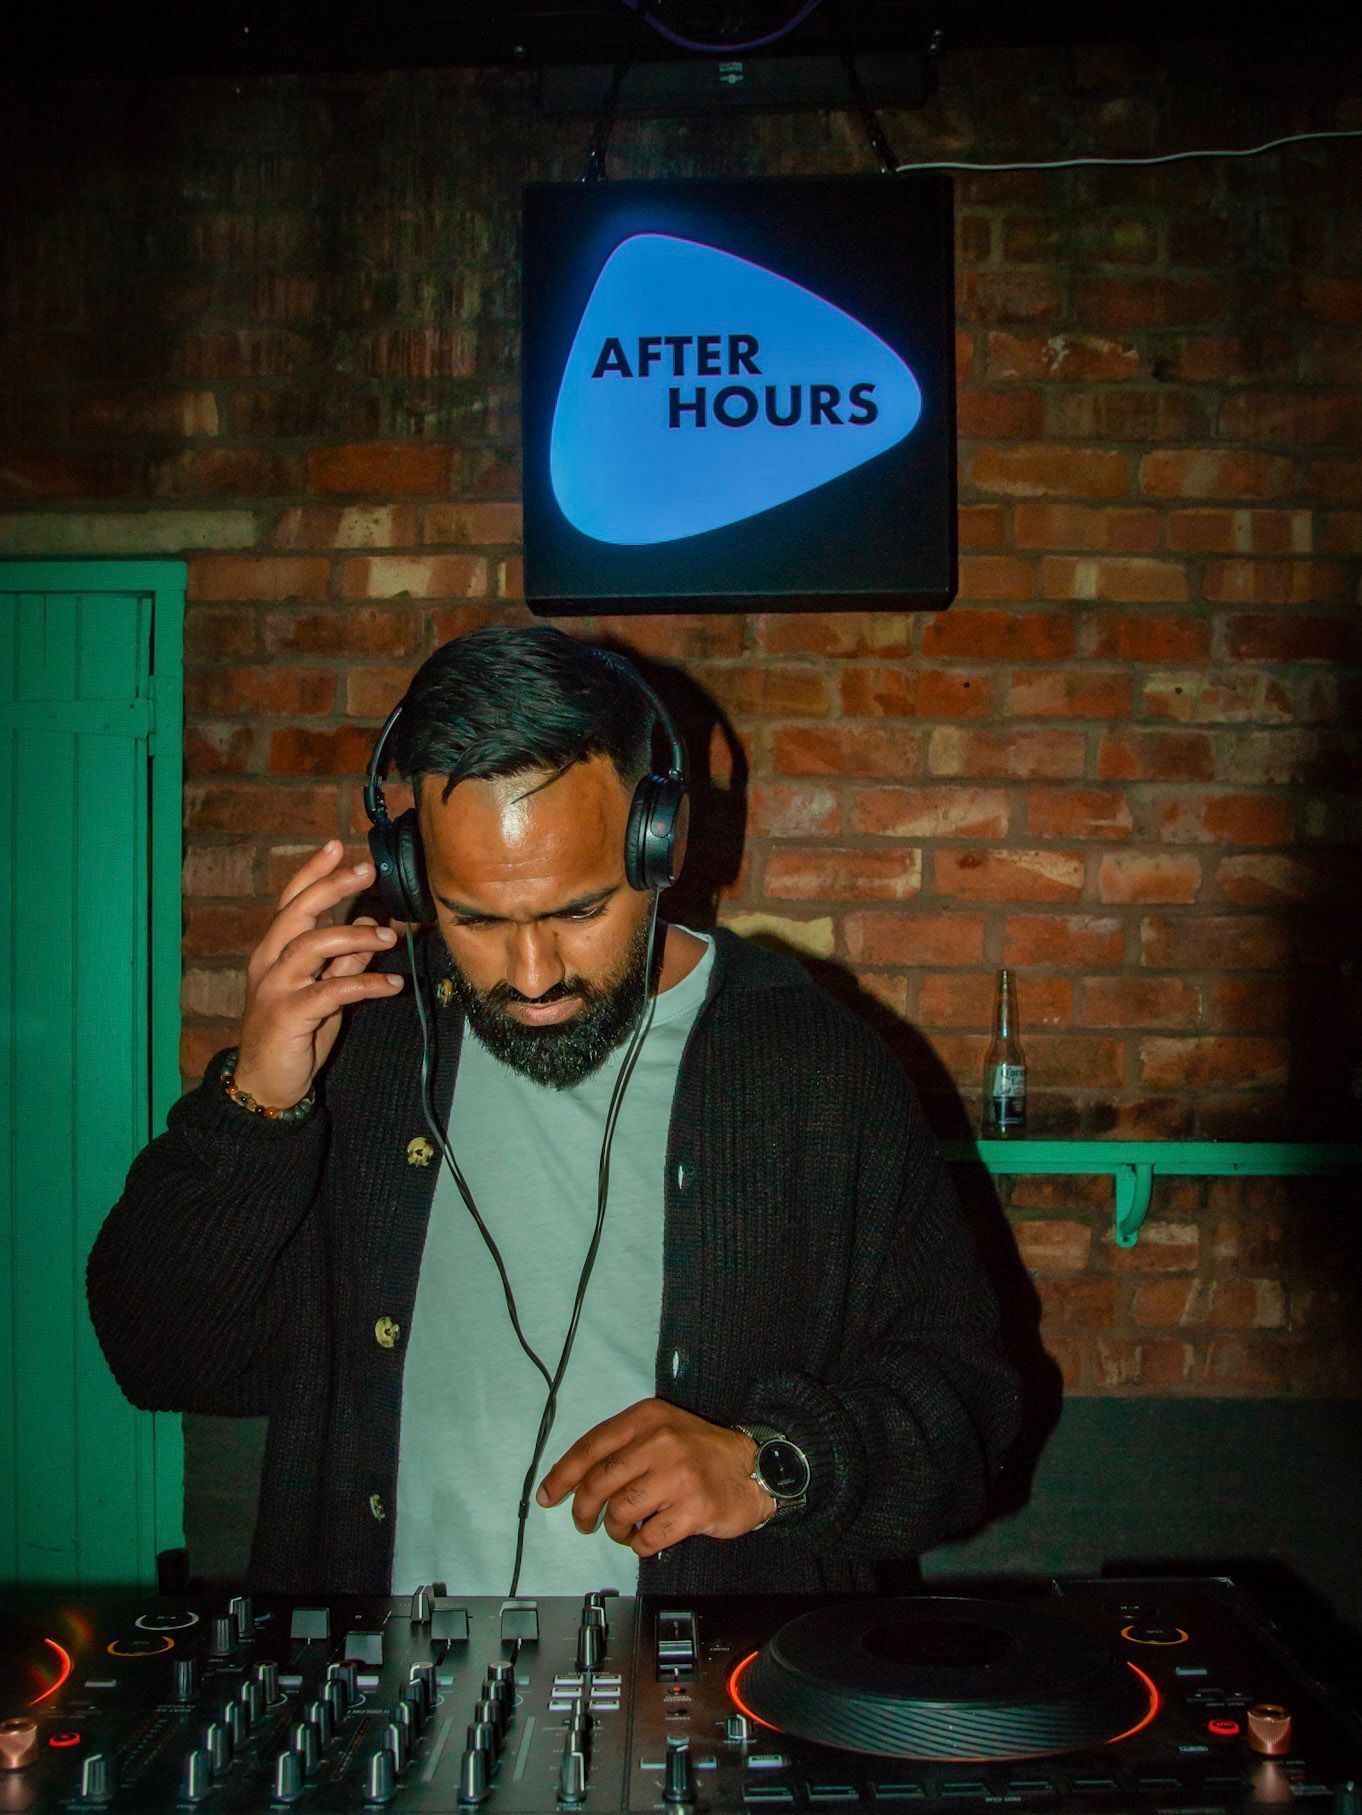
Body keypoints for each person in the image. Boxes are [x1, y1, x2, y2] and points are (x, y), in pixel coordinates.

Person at [88, 625, 1019, 1598]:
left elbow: (969, 1410)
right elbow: (161, 1359)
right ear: (410, 874)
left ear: (658, 844)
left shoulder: (813, 1064)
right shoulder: (361, 1041)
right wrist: (257, 1104)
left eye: (577, 911)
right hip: (383, 1681)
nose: (531, 977)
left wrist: (772, 1464)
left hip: (709, 1680)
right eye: (476, 918)